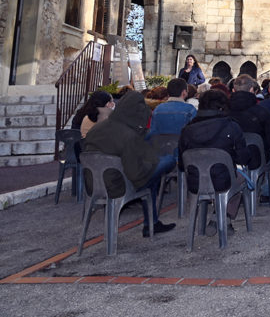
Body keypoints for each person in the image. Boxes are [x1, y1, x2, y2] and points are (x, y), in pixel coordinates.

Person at [82, 90, 176, 236]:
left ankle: (152, 223)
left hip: (92, 186)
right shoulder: (128, 135)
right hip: (119, 186)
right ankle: (151, 223)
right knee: (166, 162)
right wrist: (151, 166)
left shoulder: (96, 129)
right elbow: (136, 174)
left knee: (153, 172)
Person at [177, 89, 256, 221]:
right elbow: (243, 158)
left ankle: (218, 216)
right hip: (224, 181)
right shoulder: (231, 126)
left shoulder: (187, 130)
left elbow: (181, 163)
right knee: (241, 176)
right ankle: (224, 216)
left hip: (196, 182)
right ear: (223, 106)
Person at [227, 74, 270, 205]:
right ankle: (267, 192)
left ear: (233, 91)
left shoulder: (224, 111)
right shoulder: (261, 111)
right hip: (257, 157)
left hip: (231, 157)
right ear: (252, 90)